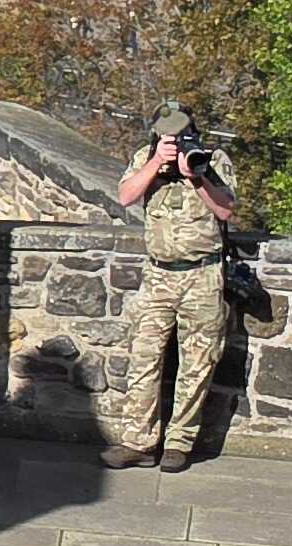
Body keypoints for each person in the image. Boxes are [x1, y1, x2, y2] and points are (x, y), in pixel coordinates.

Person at [100, 104, 243, 474]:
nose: (174, 140)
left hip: (203, 275)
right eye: (167, 134)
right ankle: (138, 441)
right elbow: (126, 196)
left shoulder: (213, 160)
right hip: (158, 276)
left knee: (197, 362)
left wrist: (196, 176)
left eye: (180, 133)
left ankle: (179, 443)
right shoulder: (144, 158)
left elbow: (226, 210)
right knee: (143, 357)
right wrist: (155, 164)